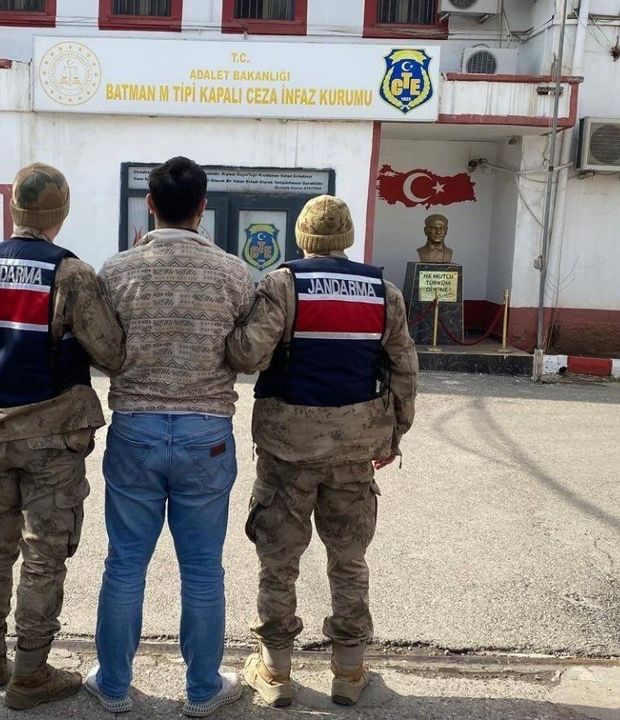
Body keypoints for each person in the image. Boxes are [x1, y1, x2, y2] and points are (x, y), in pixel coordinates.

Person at [226, 194, 418, 707]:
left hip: (286, 449)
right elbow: (404, 368)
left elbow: (248, 354)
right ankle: (349, 672)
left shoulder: (282, 285)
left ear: (301, 238)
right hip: (356, 448)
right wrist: (394, 434)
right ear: (347, 238)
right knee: (349, 558)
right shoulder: (384, 293)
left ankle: (275, 671)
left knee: (278, 561)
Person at [85, 156, 254, 717]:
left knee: (124, 564)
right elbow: (247, 353)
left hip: (136, 429)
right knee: (203, 568)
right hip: (207, 433)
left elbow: (104, 352)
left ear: (150, 204)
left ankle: (113, 686)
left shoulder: (117, 270)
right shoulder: (234, 273)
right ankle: (203, 690)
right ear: (203, 207)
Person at [0, 163, 125, 710]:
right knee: (44, 553)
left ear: (13, 208)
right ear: (62, 213)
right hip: (53, 435)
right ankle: (30, 672)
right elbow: (112, 352)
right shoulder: (70, 274)